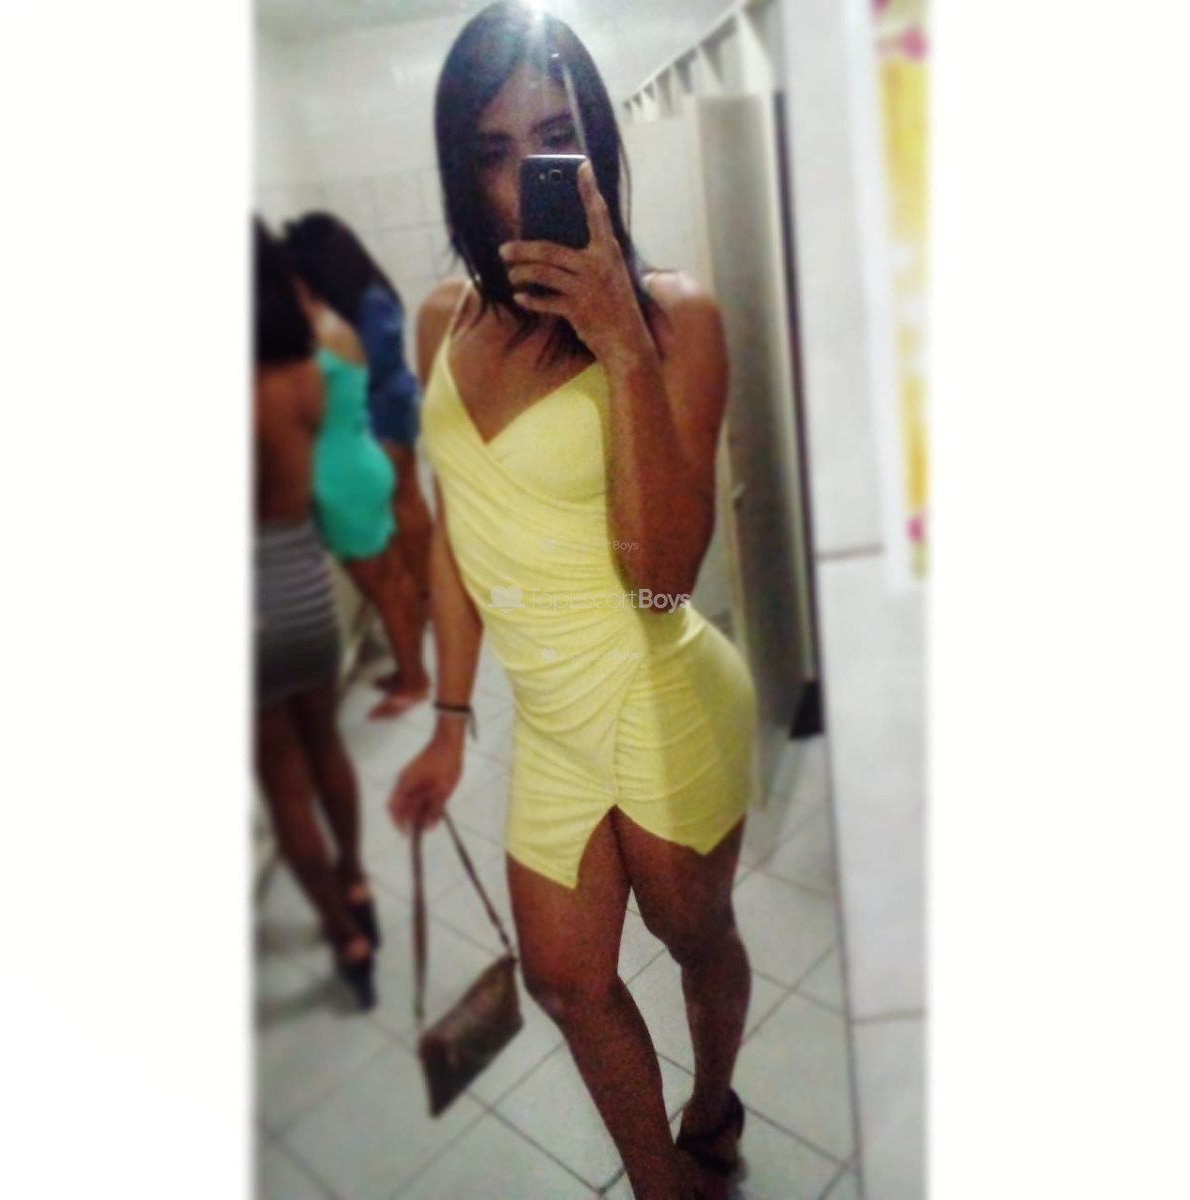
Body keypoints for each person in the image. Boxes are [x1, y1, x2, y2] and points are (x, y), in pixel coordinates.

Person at [387, 6, 758, 1199]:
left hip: (659, 687)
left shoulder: (676, 317)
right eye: (490, 152)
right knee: (565, 978)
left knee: (694, 938)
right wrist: (450, 720)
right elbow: (457, 532)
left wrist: (620, 344)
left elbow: (662, 580)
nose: (520, 179)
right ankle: (662, 1186)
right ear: (462, 171)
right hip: (550, 717)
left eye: (552, 138)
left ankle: (713, 1102)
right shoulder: (443, 320)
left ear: (597, 139)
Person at [252, 219, 378, 1009]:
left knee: (283, 781)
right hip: (306, 588)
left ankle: (344, 933)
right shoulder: (305, 373)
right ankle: (356, 878)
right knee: (325, 743)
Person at [281, 230, 431, 718]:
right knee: (389, 579)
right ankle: (411, 668)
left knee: (382, 584)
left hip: (345, 475)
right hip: (355, 461)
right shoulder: (332, 325)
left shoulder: (321, 336)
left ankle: (413, 678)